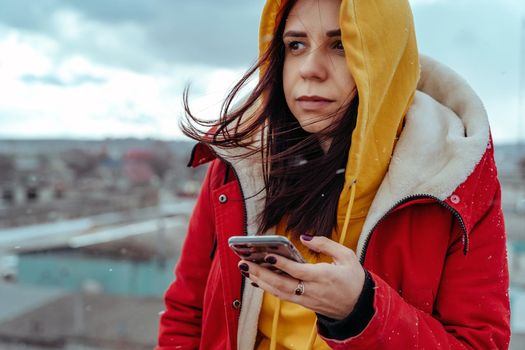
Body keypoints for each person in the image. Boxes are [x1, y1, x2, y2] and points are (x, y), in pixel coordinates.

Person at [157, 0, 511, 349]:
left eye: (341, 45)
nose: (310, 68)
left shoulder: (453, 177)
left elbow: (479, 344)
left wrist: (361, 312)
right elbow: (186, 315)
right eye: (296, 45)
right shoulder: (239, 163)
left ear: (382, 55)